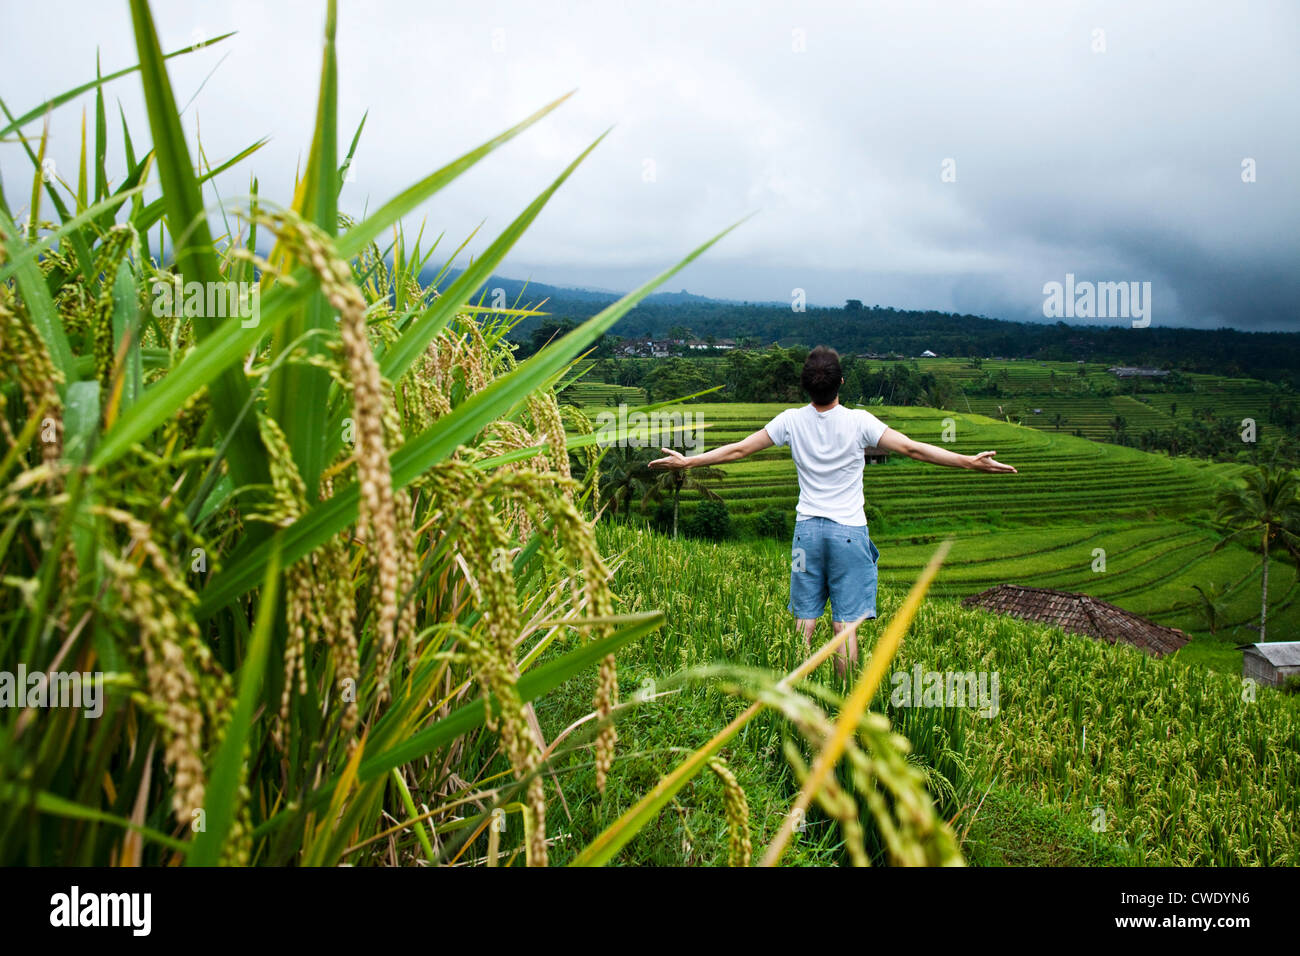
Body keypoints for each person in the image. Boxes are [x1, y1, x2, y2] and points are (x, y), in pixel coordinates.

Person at [649, 346, 1018, 676]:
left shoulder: (790, 420)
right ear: (841, 381)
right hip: (849, 533)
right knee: (844, 626)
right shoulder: (860, 422)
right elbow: (914, 449)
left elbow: (739, 450)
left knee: (804, 619)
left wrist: (689, 461)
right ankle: (843, 702)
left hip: (806, 534)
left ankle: (794, 691)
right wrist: (969, 461)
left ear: (805, 386)